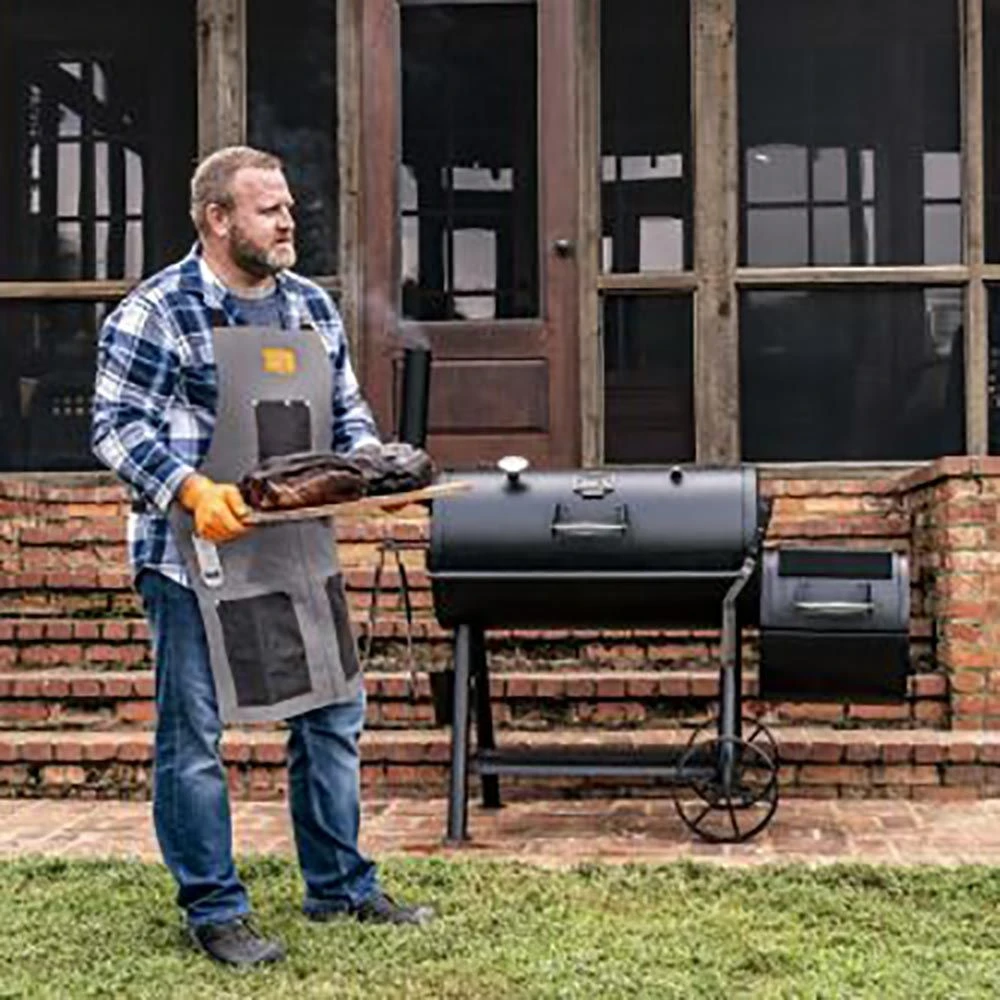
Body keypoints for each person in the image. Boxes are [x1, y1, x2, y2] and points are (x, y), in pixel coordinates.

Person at [91, 145, 432, 969]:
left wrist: (371, 471)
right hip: (191, 556)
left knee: (330, 718)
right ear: (217, 219)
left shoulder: (308, 307)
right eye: (269, 209)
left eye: (287, 207)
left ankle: (340, 885)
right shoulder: (158, 310)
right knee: (195, 737)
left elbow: (345, 418)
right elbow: (117, 425)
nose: (288, 221)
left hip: (295, 551)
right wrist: (189, 489)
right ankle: (214, 907)